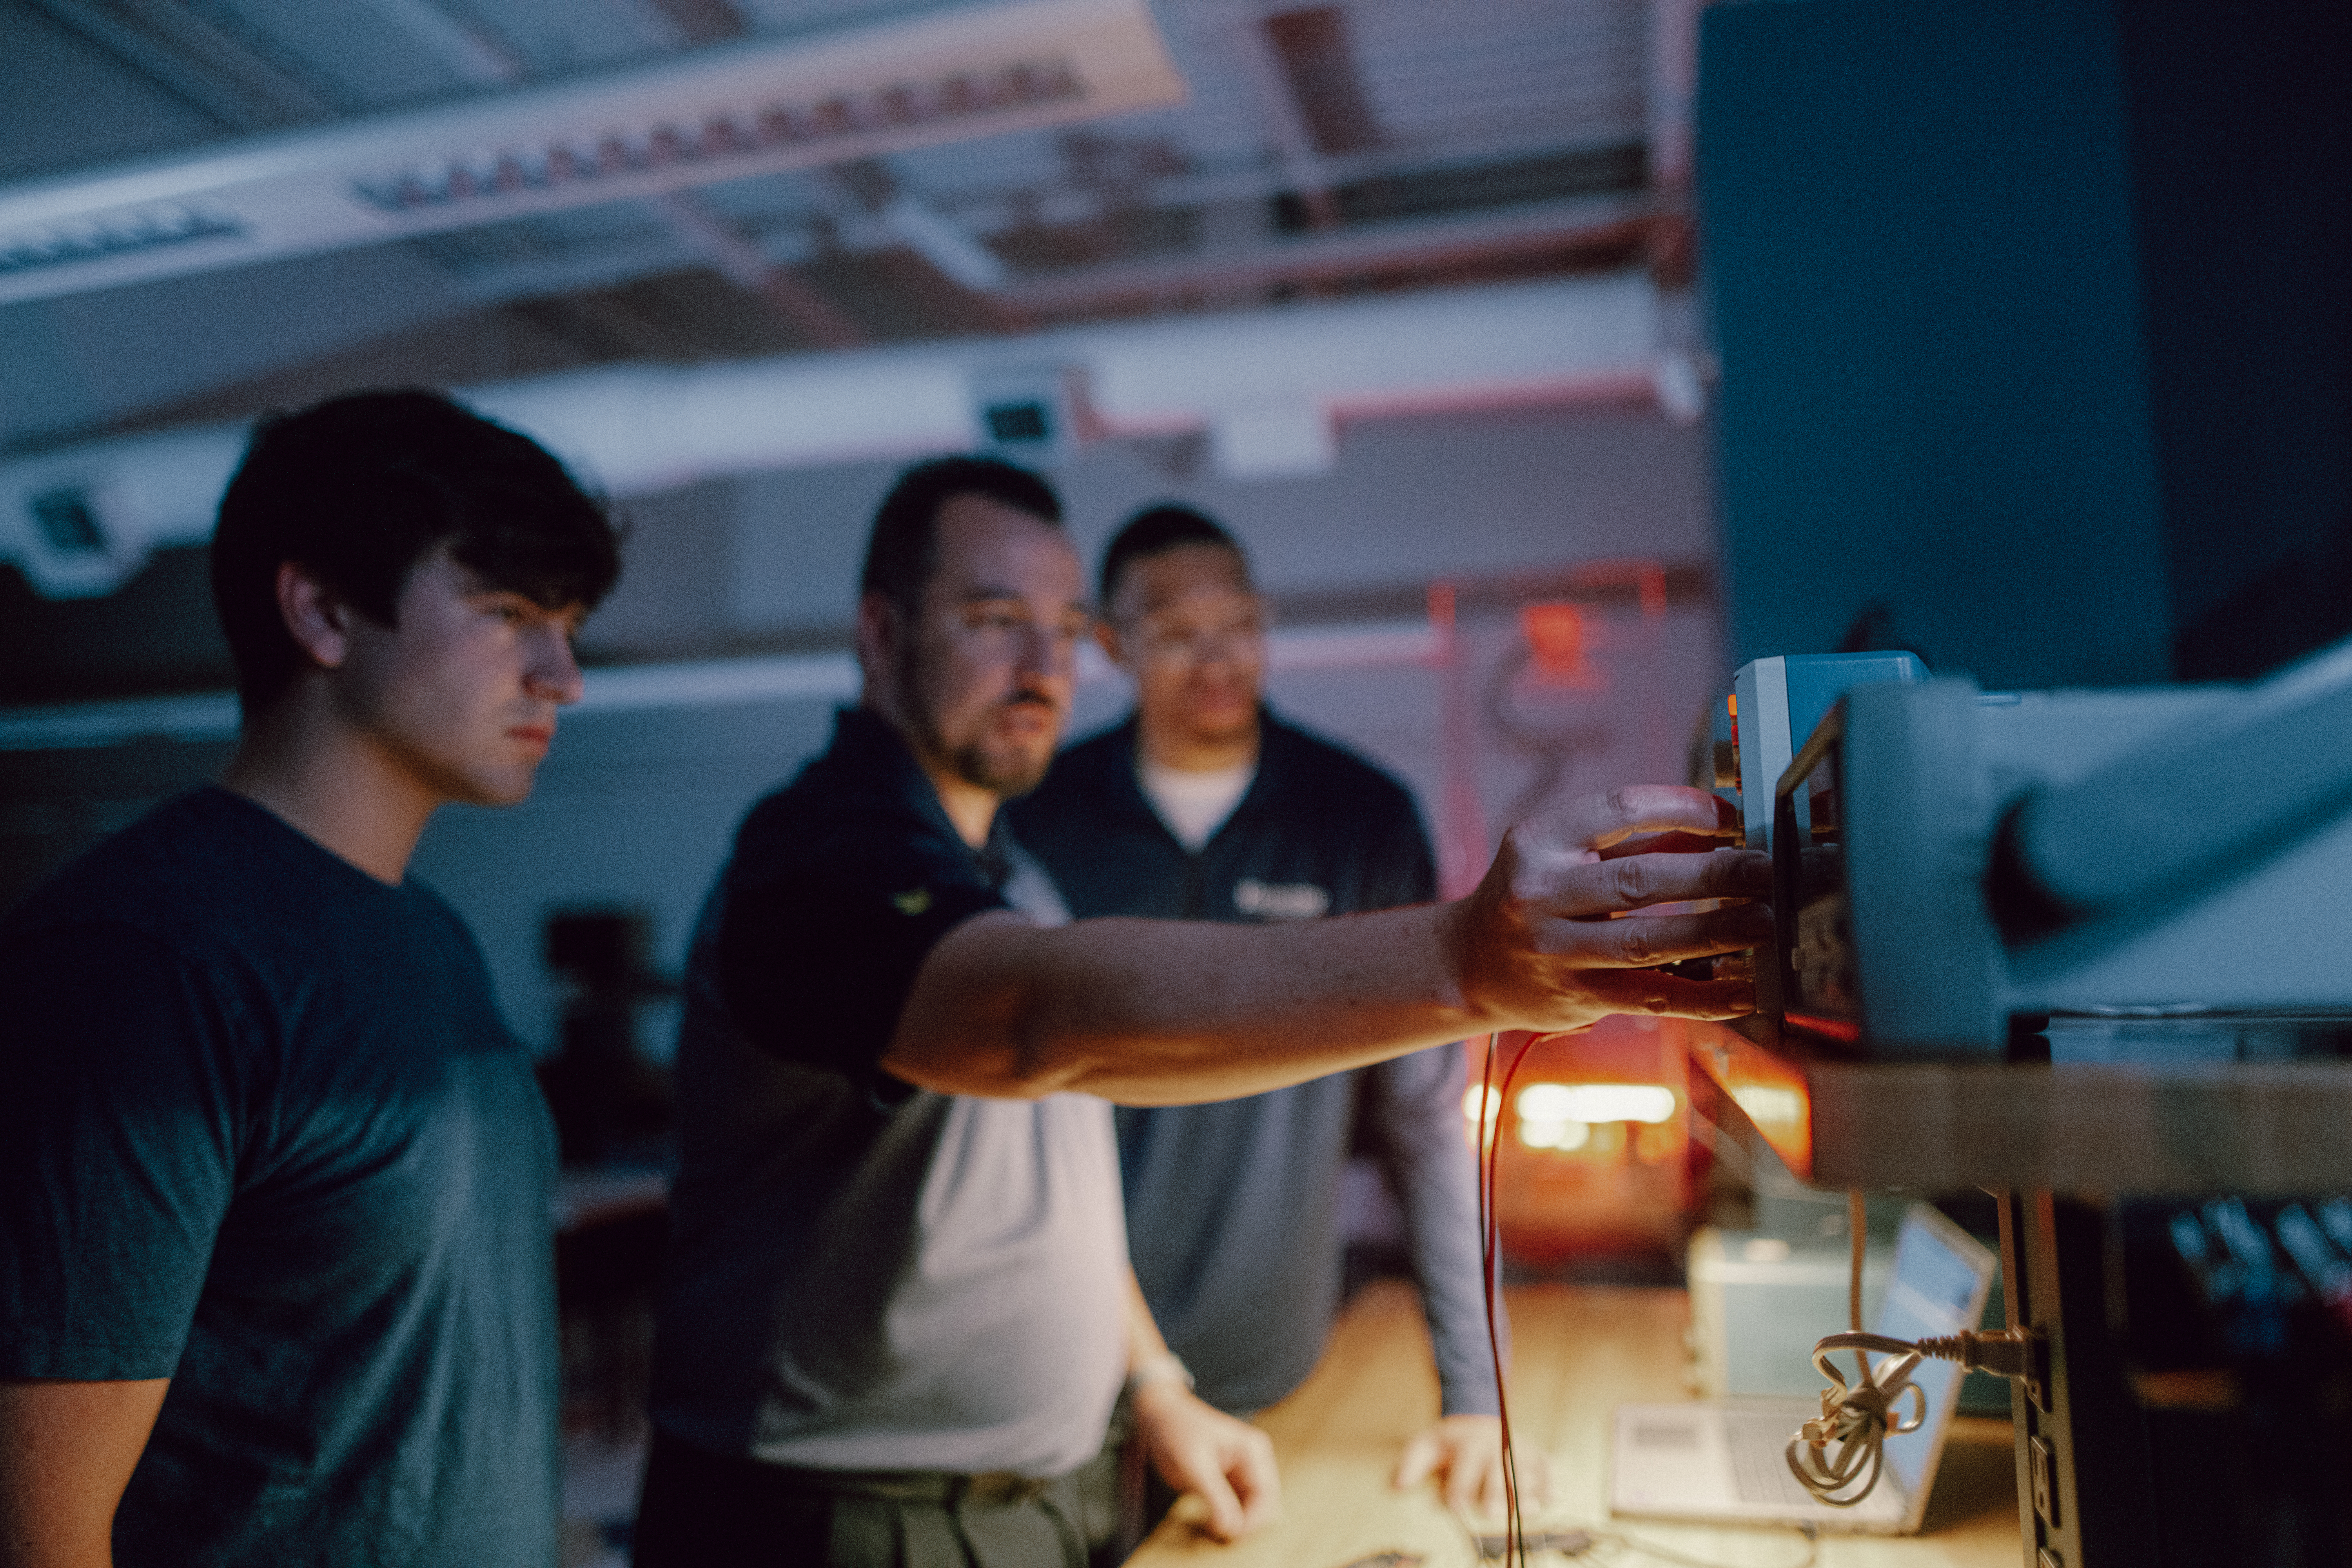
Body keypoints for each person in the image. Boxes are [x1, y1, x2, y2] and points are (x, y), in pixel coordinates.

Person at [635, 456, 1769, 1568]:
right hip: (843, 1513)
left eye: (1061, 628)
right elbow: (1038, 1024)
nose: (1042, 666)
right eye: (992, 619)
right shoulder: (815, 862)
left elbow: (1052, 1186)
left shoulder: (1011, 871)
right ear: (883, 634)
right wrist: (1462, 959)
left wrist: (1152, 1382)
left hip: (1050, 1476)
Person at [0, 390, 621, 1568]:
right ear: (323, 611)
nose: (564, 674)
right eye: (509, 613)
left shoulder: (433, 938)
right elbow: (37, 1530)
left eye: (570, 622)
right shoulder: (140, 965)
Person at [1008, 504, 1527, 1518]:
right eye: (1174, 633)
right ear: (1111, 645)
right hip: (1063, 1354)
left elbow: (1427, 1118)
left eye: (1238, 623)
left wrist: (1477, 1393)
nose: (1217, 658)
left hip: (1271, 1356)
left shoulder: (1358, 818)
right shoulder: (1040, 818)